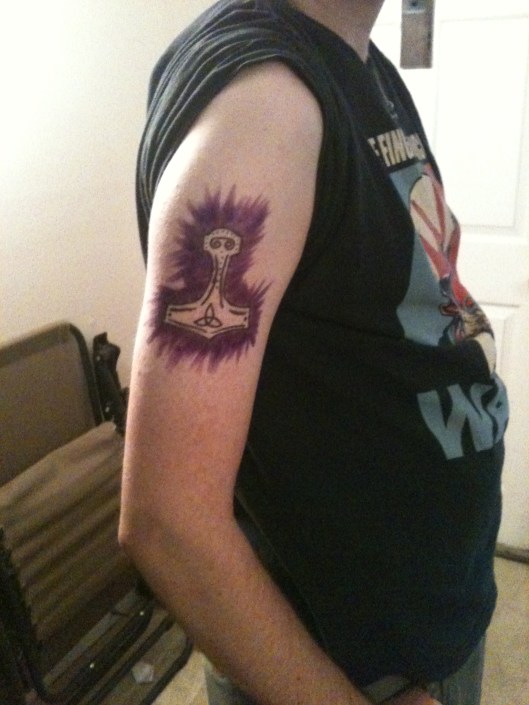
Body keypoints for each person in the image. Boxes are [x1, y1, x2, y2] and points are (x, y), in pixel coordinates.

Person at [118, 1, 509, 704]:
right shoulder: (262, 108)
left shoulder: (357, 64)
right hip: (350, 669)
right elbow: (168, 521)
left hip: (428, 620)